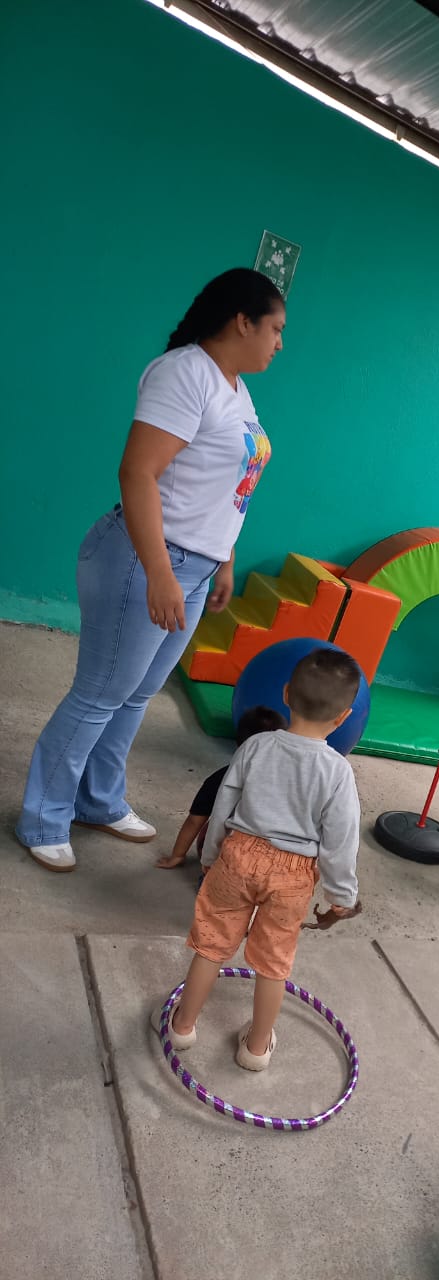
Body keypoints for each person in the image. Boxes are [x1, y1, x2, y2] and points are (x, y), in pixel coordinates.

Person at [16, 268, 286, 873]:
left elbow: (225, 484)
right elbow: (138, 473)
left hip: (195, 565)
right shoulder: (185, 373)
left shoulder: (235, 388)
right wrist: (160, 572)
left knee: (135, 694)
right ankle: (42, 818)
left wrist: (224, 559)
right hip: (146, 558)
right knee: (99, 693)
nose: (279, 343)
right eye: (275, 328)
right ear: (242, 322)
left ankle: (98, 801)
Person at [151, 647, 363, 1071]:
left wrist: (212, 854)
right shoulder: (337, 771)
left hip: (238, 855)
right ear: (343, 717)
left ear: (286, 694)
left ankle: (182, 1027)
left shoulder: (255, 747)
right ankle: (256, 1048)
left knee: (212, 944)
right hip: (293, 875)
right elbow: (341, 840)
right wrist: (342, 896)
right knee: (273, 962)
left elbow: (223, 805)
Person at [155, 705, 287, 872]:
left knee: (215, 829)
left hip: (231, 860)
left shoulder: (221, 778)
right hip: (277, 864)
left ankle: (212, 879)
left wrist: (177, 856)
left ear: (240, 745)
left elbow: (195, 821)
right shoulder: (292, 782)